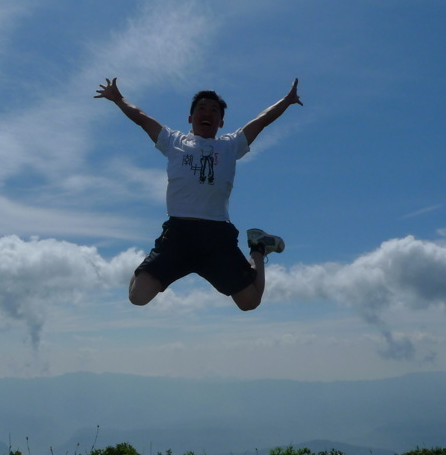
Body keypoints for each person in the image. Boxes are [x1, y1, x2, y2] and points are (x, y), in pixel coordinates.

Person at [94, 77, 302, 311]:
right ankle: (151, 268)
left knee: (250, 302)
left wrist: (286, 101)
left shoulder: (230, 146)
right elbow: (142, 119)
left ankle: (258, 246)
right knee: (137, 296)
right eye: (202, 108)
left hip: (216, 237)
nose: (208, 113)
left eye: (214, 110)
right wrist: (119, 99)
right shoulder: (173, 141)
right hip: (177, 235)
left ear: (221, 122)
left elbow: (262, 121)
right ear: (190, 119)